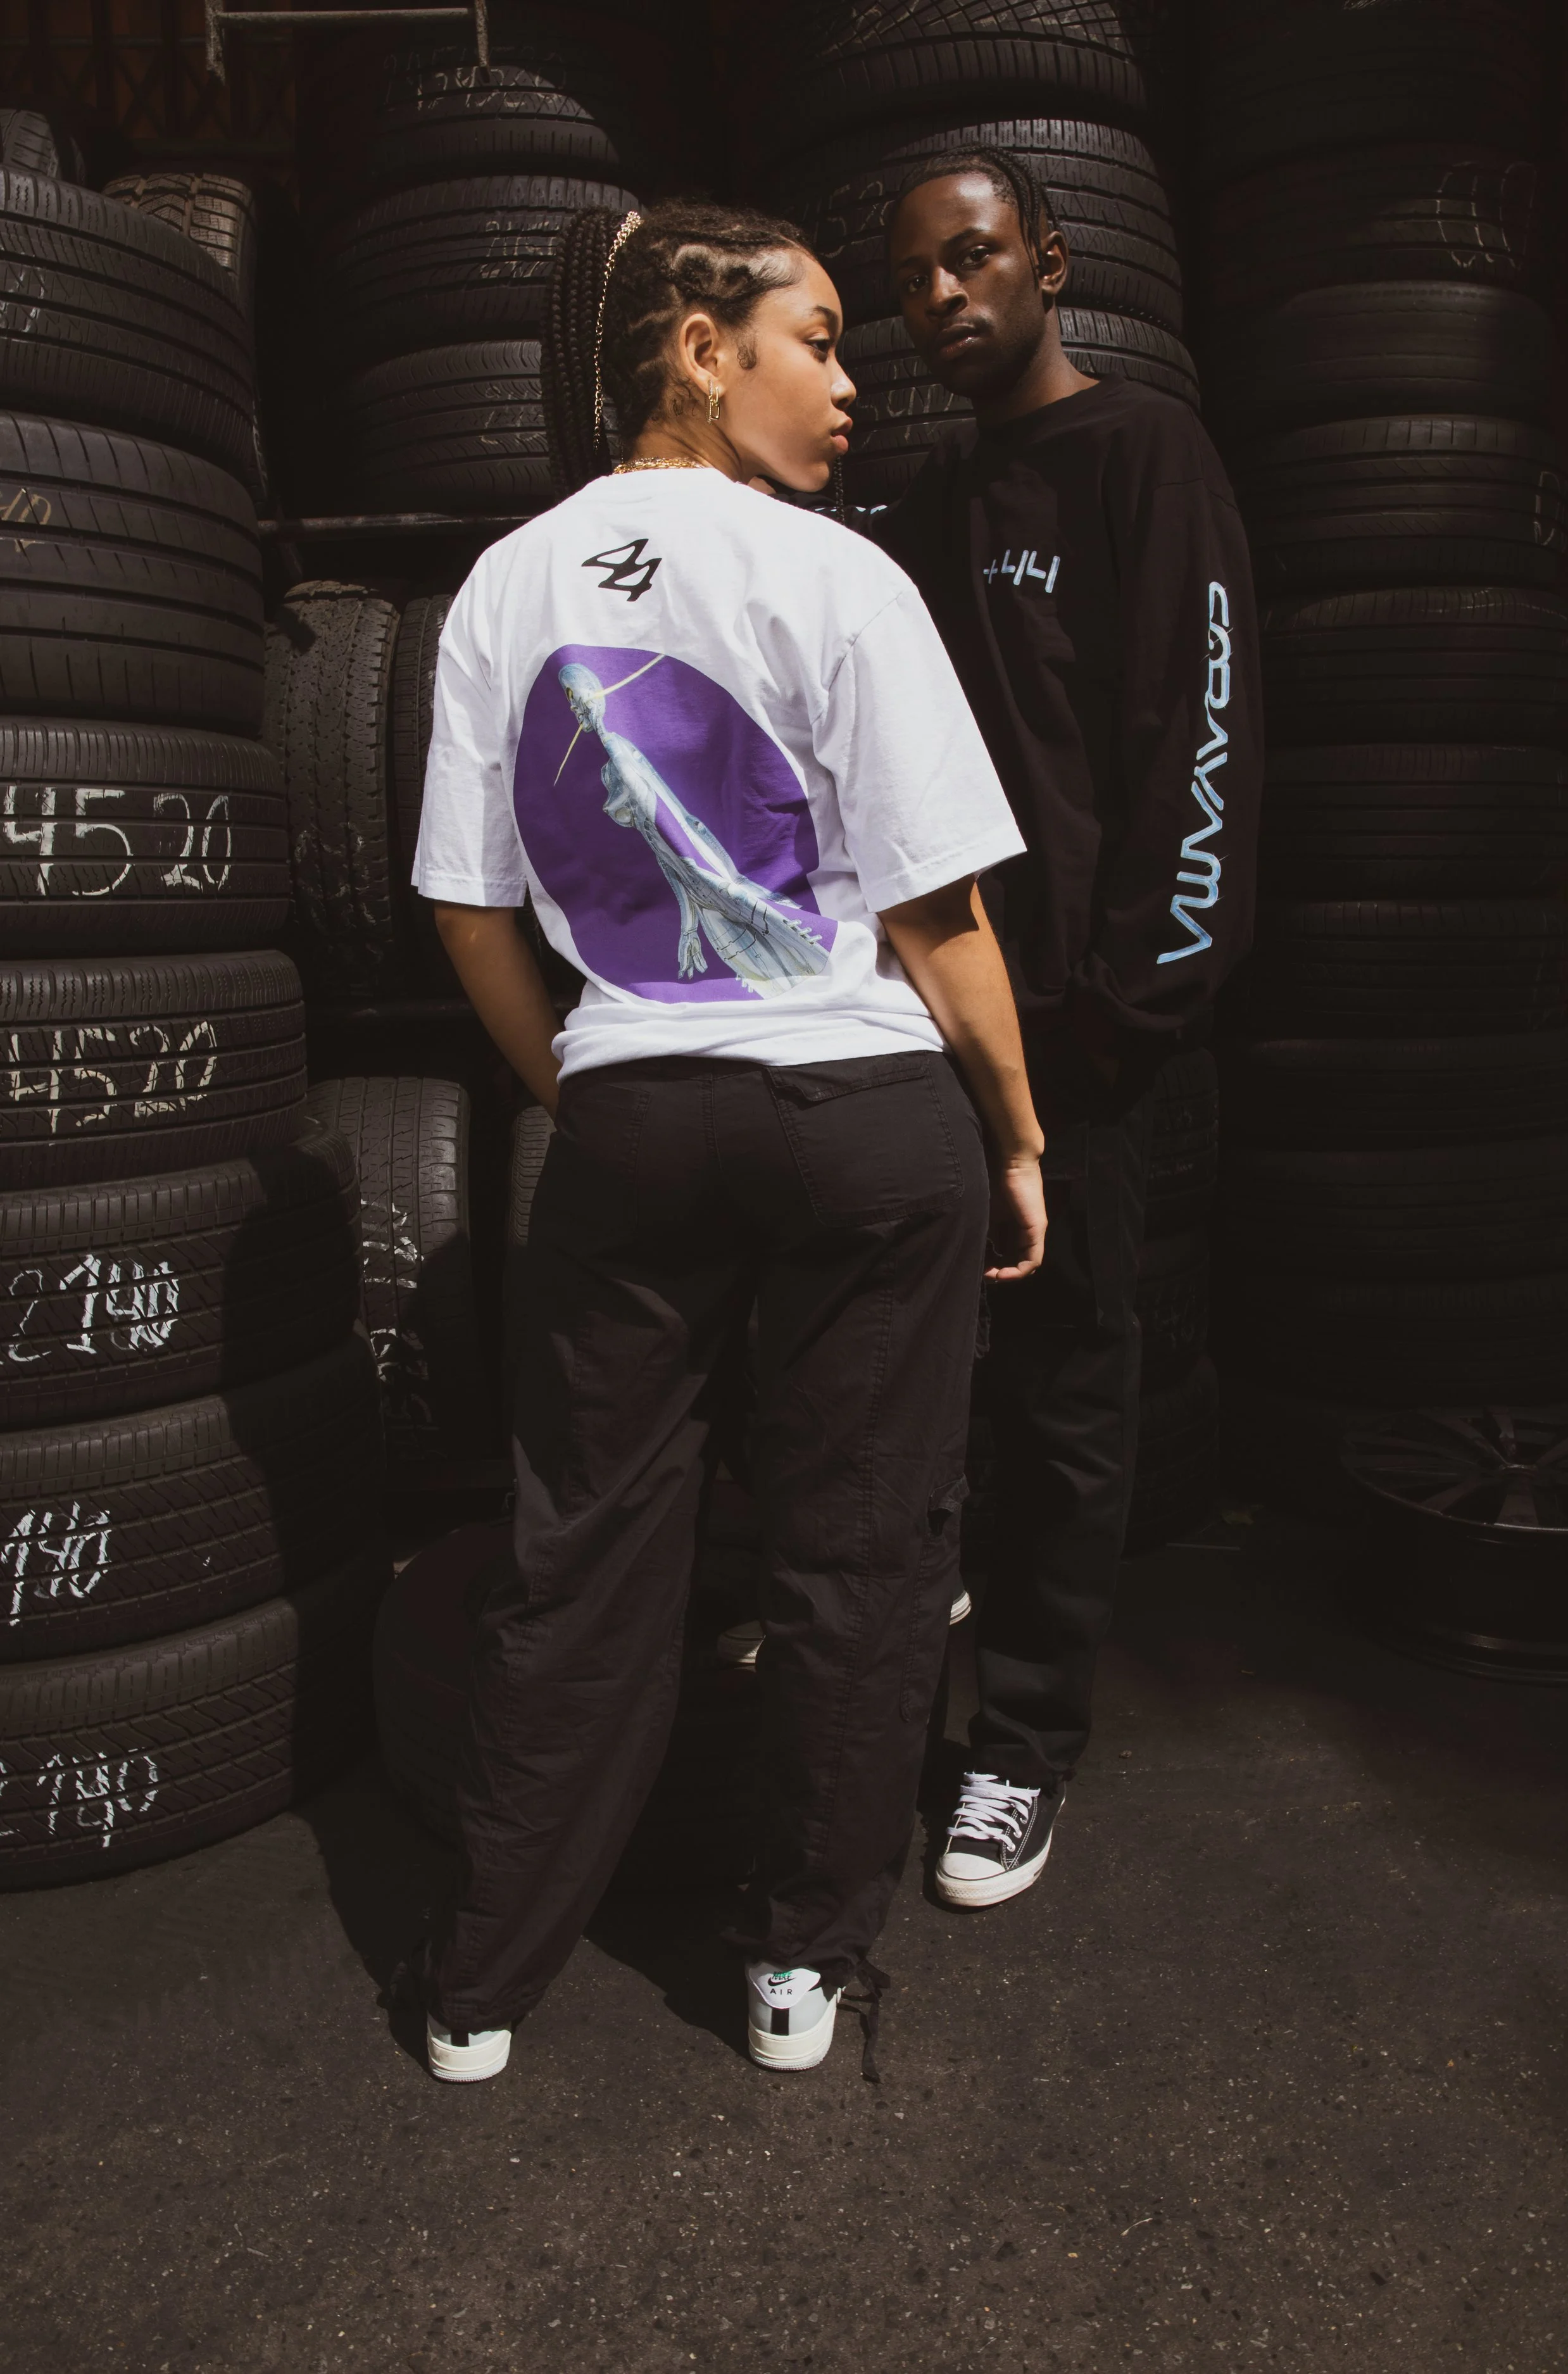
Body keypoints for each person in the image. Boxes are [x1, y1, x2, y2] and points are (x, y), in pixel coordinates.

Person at [408, 199, 1046, 2083]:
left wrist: (586, 1086)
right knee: (859, 1553)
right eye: (818, 341)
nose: (851, 387)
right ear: (702, 350)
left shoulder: (502, 586)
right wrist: (1015, 1130)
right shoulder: (840, 577)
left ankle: (476, 1988)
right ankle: (794, 1975)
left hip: (633, 1115)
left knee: (581, 1548)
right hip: (861, 1117)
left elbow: (467, 910)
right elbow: (939, 913)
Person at [874, 149, 1262, 1910]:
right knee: (909, 1387)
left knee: (1062, 1401)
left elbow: (1200, 740)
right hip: (926, 1024)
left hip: (1080, 1040)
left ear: (1050, 255)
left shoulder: (1144, 454)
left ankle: (1020, 1749)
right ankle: (890, 1699)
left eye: (971, 259)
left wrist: (1123, 1012)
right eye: (913, 281)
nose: (943, 298)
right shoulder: (937, 501)